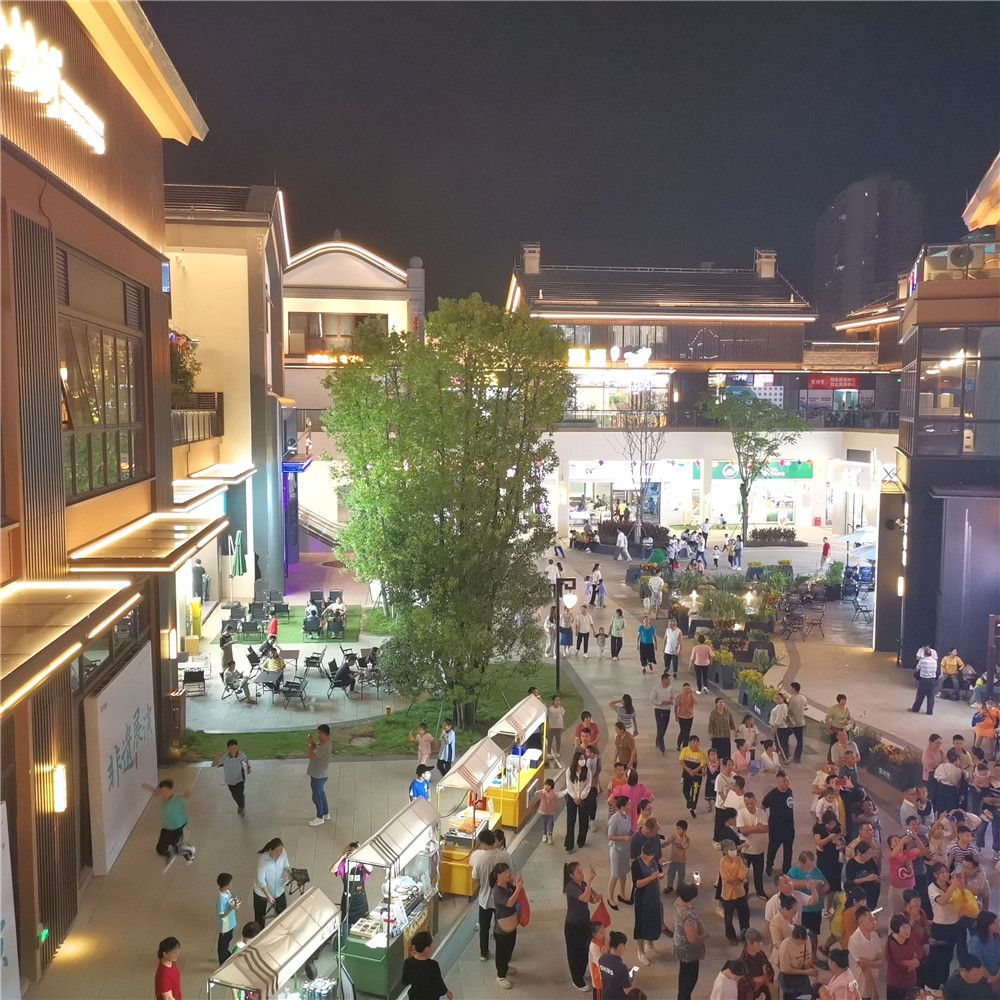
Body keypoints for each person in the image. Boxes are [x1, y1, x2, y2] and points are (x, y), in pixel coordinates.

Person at [471, 829, 511, 963]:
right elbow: (511, 875)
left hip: (485, 899)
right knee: (501, 928)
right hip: (502, 899)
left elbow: (475, 879)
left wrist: (483, 884)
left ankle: (484, 953)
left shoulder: (480, 859)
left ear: (483, 843)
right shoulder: (505, 856)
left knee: (484, 927)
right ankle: (502, 954)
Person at [927, 861, 963, 992]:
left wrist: (960, 885)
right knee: (938, 956)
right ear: (935, 874)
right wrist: (953, 887)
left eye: (946, 871)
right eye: (941, 872)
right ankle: (932, 984)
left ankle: (943, 980)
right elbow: (942, 901)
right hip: (940, 928)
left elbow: (961, 898)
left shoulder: (950, 885)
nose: (945, 874)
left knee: (948, 956)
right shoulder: (932, 888)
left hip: (954, 925)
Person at [145, 779, 195, 870]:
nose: (164, 793)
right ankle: (172, 854)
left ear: (171, 790)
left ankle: (190, 850)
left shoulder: (178, 800)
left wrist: (189, 789)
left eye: (166, 791)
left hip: (179, 828)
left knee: (178, 849)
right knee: (160, 850)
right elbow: (156, 792)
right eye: (162, 791)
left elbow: (186, 795)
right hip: (167, 828)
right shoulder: (162, 796)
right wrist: (147, 787)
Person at [565, 861, 601, 989]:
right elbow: (584, 898)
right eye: (578, 872)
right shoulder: (570, 887)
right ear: (572, 875)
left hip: (584, 922)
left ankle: (582, 972)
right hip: (573, 925)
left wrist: (596, 898)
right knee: (575, 952)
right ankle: (576, 979)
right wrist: (590, 882)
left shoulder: (583, 884)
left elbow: (590, 898)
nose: (582, 874)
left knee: (585, 949)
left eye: (581, 870)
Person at [490, 863, 524, 990]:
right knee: (501, 952)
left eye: (509, 871)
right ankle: (501, 975)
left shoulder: (508, 886)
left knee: (510, 948)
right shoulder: (497, 891)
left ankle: (505, 966)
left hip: (512, 922)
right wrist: (518, 888)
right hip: (501, 928)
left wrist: (517, 882)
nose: (509, 874)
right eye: (506, 872)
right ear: (499, 876)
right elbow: (509, 903)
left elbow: (518, 892)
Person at [632, 843, 666, 965]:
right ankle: (640, 951)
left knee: (652, 921)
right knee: (641, 924)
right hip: (643, 899)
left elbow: (658, 872)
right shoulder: (636, 864)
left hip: (654, 897)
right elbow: (637, 884)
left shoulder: (654, 861)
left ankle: (650, 945)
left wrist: (659, 876)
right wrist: (651, 877)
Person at [674, 882, 706, 1000]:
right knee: (690, 978)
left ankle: (681, 996)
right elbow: (692, 939)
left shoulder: (678, 902)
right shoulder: (688, 915)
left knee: (683, 973)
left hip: (679, 943)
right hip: (688, 950)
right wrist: (705, 935)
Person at [401, 930, 452, 1000]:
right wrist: (447, 992)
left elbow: (405, 982)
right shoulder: (433, 965)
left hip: (415, 996)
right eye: (431, 945)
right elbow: (439, 983)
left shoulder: (408, 962)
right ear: (427, 949)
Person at [762, 771, 795, 876]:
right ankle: (769, 866)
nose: (787, 783)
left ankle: (786, 869)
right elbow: (763, 806)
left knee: (788, 850)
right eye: (784, 781)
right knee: (773, 849)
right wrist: (764, 821)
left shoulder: (789, 791)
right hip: (776, 829)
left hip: (789, 827)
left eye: (787, 780)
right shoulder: (772, 795)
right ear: (778, 782)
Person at [252, 837, 290, 926]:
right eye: (276, 852)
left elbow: (286, 864)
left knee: (282, 911)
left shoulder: (282, 853)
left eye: (281, 851)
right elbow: (261, 881)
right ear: (270, 850)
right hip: (261, 893)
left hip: (278, 888)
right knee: (260, 916)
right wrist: (268, 896)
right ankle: (259, 931)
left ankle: (282, 927)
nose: (279, 854)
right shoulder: (263, 861)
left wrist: (290, 871)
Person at [718, 838, 750, 943]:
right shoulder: (722, 862)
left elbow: (743, 874)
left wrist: (737, 879)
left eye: (734, 848)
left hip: (740, 893)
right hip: (728, 895)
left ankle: (745, 934)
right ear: (725, 851)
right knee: (728, 918)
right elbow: (728, 879)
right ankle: (731, 936)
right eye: (731, 849)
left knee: (744, 915)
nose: (734, 851)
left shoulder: (739, 860)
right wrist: (739, 879)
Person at [884, 913, 922, 1000]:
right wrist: (914, 961)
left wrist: (915, 961)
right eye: (904, 928)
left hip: (911, 982)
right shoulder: (892, 944)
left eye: (908, 927)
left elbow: (919, 955)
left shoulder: (910, 938)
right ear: (896, 929)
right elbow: (904, 967)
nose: (907, 930)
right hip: (896, 985)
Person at [212, 739, 251, 816]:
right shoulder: (224, 757)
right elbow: (213, 765)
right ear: (228, 749)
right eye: (231, 749)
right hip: (230, 780)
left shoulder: (241, 755)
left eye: (234, 748)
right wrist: (216, 758)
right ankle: (239, 805)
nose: (233, 750)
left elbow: (246, 760)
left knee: (240, 794)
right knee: (234, 795)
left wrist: (248, 767)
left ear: (237, 748)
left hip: (240, 778)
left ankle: (241, 807)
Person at [598, 930, 641, 1000]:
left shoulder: (602, 958)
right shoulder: (621, 967)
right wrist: (632, 977)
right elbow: (627, 991)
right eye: (624, 945)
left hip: (605, 995)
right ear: (620, 946)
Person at [778, 924, 819, 996]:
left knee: (808, 996)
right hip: (788, 978)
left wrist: (812, 969)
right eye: (798, 942)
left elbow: (808, 958)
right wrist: (805, 972)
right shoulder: (785, 946)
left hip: (803, 975)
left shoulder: (807, 939)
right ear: (792, 938)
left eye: (804, 941)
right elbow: (785, 970)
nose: (802, 944)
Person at [565, 750, 593, 852]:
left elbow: (588, 785)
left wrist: (581, 797)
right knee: (570, 821)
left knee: (583, 821)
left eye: (583, 758)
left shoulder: (587, 771)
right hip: (572, 798)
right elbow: (569, 785)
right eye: (581, 759)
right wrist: (575, 797)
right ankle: (569, 845)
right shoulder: (569, 771)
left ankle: (581, 840)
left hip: (584, 798)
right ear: (576, 760)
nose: (582, 760)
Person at [306, 725, 332, 827]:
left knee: (317, 797)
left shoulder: (324, 746)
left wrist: (309, 744)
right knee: (321, 794)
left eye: (319, 733)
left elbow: (311, 756)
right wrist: (312, 742)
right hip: (321, 774)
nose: (318, 735)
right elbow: (315, 749)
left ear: (324, 734)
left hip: (318, 776)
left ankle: (320, 817)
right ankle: (326, 813)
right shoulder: (325, 742)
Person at [739, 928, 775, 1000]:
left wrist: (767, 976)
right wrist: (757, 979)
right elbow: (743, 982)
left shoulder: (761, 954)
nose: (761, 945)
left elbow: (770, 969)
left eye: (761, 943)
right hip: (751, 994)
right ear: (749, 943)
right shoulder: (743, 959)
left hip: (764, 990)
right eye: (758, 943)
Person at [679, 735, 707, 819]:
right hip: (686, 774)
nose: (695, 744)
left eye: (697, 742)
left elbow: (702, 764)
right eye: (693, 742)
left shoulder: (701, 754)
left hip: (696, 777)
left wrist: (695, 771)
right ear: (689, 743)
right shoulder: (685, 750)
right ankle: (689, 801)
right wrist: (688, 770)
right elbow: (681, 761)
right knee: (685, 790)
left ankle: (692, 808)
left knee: (695, 793)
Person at [215, 874, 239, 967]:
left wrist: (235, 901)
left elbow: (231, 900)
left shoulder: (227, 892)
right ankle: (222, 963)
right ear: (226, 885)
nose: (231, 885)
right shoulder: (221, 899)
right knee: (222, 946)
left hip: (230, 922)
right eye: (230, 883)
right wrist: (231, 908)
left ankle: (226, 953)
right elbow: (221, 914)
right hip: (225, 926)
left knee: (228, 939)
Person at [649, 673, 674, 756]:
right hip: (659, 710)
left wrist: (671, 701)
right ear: (664, 680)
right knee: (660, 727)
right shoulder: (656, 688)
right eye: (668, 679)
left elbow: (673, 697)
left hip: (667, 710)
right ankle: (661, 746)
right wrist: (661, 703)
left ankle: (658, 739)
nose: (670, 681)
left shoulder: (670, 688)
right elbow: (651, 699)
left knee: (664, 727)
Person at [912, 647, 941, 716]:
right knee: (931, 697)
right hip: (932, 680)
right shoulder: (934, 661)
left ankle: (916, 709)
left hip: (923, 680)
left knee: (920, 696)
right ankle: (929, 711)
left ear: (924, 654)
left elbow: (917, 668)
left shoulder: (922, 660)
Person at [664, 819, 690, 895]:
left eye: (679, 829)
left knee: (681, 875)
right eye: (677, 828)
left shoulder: (687, 839)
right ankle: (669, 886)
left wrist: (683, 838)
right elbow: (668, 842)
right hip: (673, 859)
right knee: (670, 873)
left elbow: (684, 846)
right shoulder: (673, 836)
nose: (677, 830)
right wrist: (661, 846)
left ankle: (679, 888)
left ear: (684, 831)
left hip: (681, 861)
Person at [786, 682, 807, 763]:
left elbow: (789, 710)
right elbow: (805, 707)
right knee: (800, 741)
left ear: (794, 688)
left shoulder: (791, 699)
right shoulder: (803, 698)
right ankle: (797, 758)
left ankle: (786, 753)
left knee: (783, 736)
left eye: (791, 688)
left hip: (793, 723)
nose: (790, 689)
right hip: (801, 723)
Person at [675, 683, 698, 751]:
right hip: (681, 717)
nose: (687, 690)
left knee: (687, 732)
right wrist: (676, 715)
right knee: (683, 731)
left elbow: (696, 703)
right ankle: (679, 744)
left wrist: (692, 694)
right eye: (685, 689)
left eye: (688, 688)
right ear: (683, 689)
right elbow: (676, 707)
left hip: (689, 717)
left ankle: (685, 747)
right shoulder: (679, 697)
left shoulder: (691, 697)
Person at [546, 694, 566, 764]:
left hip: (559, 727)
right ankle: (548, 753)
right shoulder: (550, 709)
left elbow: (563, 717)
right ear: (553, 701)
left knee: (558, 740)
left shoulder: (561, 709)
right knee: (550, 740)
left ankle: (558, 752)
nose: (558, 702)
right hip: (552, 727)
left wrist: (564, 725)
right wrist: (548, 725)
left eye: (559, 700)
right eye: (556, 700)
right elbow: (547, 718)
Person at [537, 778, 558, 845]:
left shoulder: (553, 793)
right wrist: (537, 792)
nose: (546, 786)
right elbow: (539, 793)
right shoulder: (543, 792)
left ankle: (550, 836)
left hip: (550, 812)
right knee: (544, 823)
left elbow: (559, 795)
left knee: (550, 824)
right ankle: (544, 834)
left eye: (548, 785)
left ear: (551, 786)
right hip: (543, 811)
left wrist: (566, 791)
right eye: (545, 785)